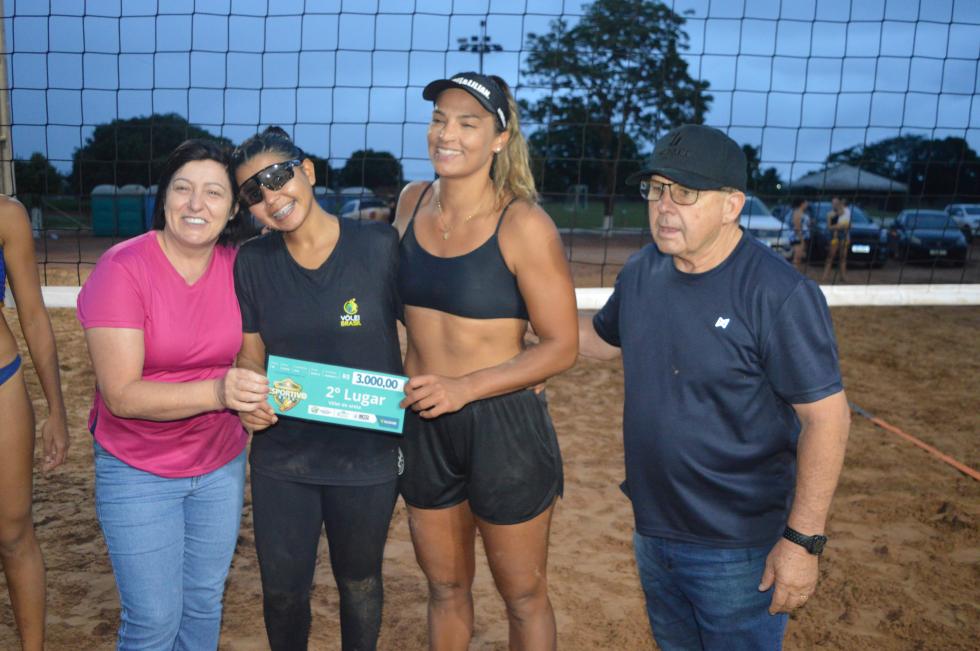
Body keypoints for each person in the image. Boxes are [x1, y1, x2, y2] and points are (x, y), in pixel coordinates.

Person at [578, 124, 851, 650]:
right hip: (653, 532)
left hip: (739, 550)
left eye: (685, 192)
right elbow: (602, 340)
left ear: (732, 206)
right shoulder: (642, 271)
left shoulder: (778, 293)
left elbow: (827, 418)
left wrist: (802, 542)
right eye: (657, 189)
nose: (664, 206)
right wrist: (518, 323)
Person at [394, 72, 578, 650]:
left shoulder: (524, 224)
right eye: (439, 120)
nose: (446, 134)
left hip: (502, 424)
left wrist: (466, 387)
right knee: (445, 587)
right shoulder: (410, 202)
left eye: (467, 123)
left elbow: (561, 345)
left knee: (523, 596)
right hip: (422, 419)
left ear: (499, 138)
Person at [77, 139, 263, 650]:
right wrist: (222, 391)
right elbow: (121, 395)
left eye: (214, 193)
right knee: (154, 621)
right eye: (183, 188)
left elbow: (259, 353)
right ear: (164, 198)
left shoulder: (240, 266)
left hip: (219, 462)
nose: (196, 204)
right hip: (137, 466)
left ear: (233, 209)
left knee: (203, 603)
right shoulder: (122, 268)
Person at [230, 127, 403, 651]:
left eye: (277, 177)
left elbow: (426, 333)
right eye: (252, 193)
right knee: (283, 594)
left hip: (368, 454)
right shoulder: (253, 262)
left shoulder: (379, 245)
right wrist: (250, 403)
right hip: (285, 457)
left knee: (360, 582)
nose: (270, 197)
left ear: (306, 171)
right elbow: (251, 353)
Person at [0, 196, 69, 651]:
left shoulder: (7, 215)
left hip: (1, 381)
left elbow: (33, 315)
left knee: (13, 534)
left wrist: (56, 410)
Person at [821, 195, 851, 283]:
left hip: (844, 236)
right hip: (834, 236)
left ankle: (843, 276)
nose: (834, 204)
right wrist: (840, 226)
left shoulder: (847, 212)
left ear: (840, 203)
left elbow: (849, 225)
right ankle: (825, 276)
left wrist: (845, 230)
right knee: (831, 256)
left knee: (843, 257)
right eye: (833, 203)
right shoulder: (830, 214)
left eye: (836, 203)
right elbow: (829, 227)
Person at [789, 197, 810, 272]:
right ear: (802, 203)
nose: (807, 204)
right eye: (806, 202)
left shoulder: (803, 212)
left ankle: (796, 273)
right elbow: (797, 227)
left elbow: (804, 224)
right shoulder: (797, 212)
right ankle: (792, 274)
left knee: (800, 257)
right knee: (797, 257)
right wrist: (802, 240)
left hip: (803, 237)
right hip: (798, 237)